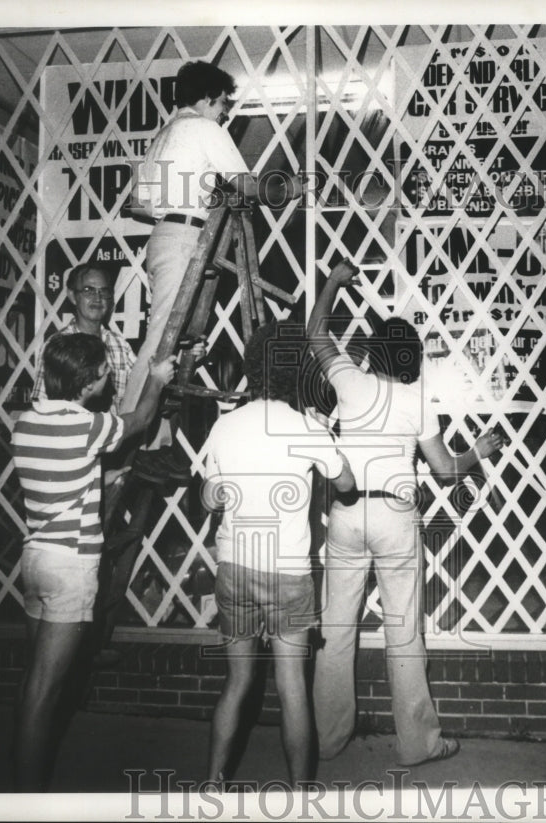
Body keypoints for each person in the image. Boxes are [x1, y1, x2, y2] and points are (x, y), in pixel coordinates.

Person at [307, 261, 505, 768]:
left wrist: (334, 282)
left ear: (373, 353)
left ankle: (328, 739)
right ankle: (419, 743)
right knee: (404, 631)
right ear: (413, 359)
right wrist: (477, 452)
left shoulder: (350, 381)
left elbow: (315, 333)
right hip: (395, 516)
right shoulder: (419, 400)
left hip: (347, 513)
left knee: (337, 628)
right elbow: (442, 471)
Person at [11, 334, 176, 791]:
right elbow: (141, 420)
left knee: (33, 679)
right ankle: (25, 797)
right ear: (88, 382)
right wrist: (158, 379)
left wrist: (102, 477)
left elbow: (58, 472)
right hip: (70, 567)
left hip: (34, 559)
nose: (108, 378)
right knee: (46, 696)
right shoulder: (89, 424)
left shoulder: (26, 422)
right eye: (104, 371)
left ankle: (22, 774)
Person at [200, 321, 356, 787]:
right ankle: (299, 796)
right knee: (292, 691)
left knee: (238, 684)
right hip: (286, 573)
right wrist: (325, 440)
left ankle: (211, 783)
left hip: (235, 566)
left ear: (253, 367)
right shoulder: (304, 426)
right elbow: (345, 484)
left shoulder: (226, 425)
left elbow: (210, 497)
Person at [121, 59, 257, 442]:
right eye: (223, 104)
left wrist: (185, 197)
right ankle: (126, 428)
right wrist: (291, 189)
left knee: (173, 339)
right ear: (209, 98)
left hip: (165, 236)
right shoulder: (202, 128)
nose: (225, 113)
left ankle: (158, 439)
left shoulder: (163, 136)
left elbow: (138, 204)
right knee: (161, 338)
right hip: (184, 238)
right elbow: (246, 185)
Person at [32, 262, 134, 416]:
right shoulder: (57, 345)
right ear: (73, 296)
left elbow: (139, 390)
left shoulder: (120, 345)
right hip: (71, 436)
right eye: (88, 291)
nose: (97, 298)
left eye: (103, 291)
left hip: (112, 436)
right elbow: (41, 403)